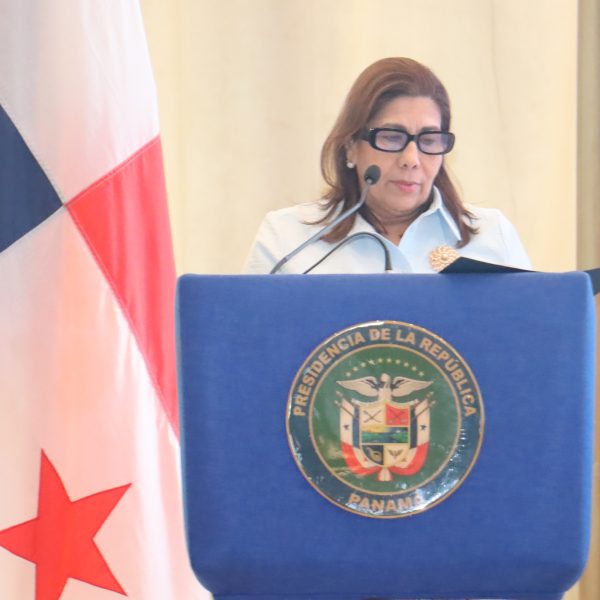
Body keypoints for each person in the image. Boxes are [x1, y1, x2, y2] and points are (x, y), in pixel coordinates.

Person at [244, 57, 531, 274]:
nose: (411, 159)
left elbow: (528, 333)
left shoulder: (492, 236)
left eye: (429, 140)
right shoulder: (288, 239)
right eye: (392, 137)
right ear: (351, 146)